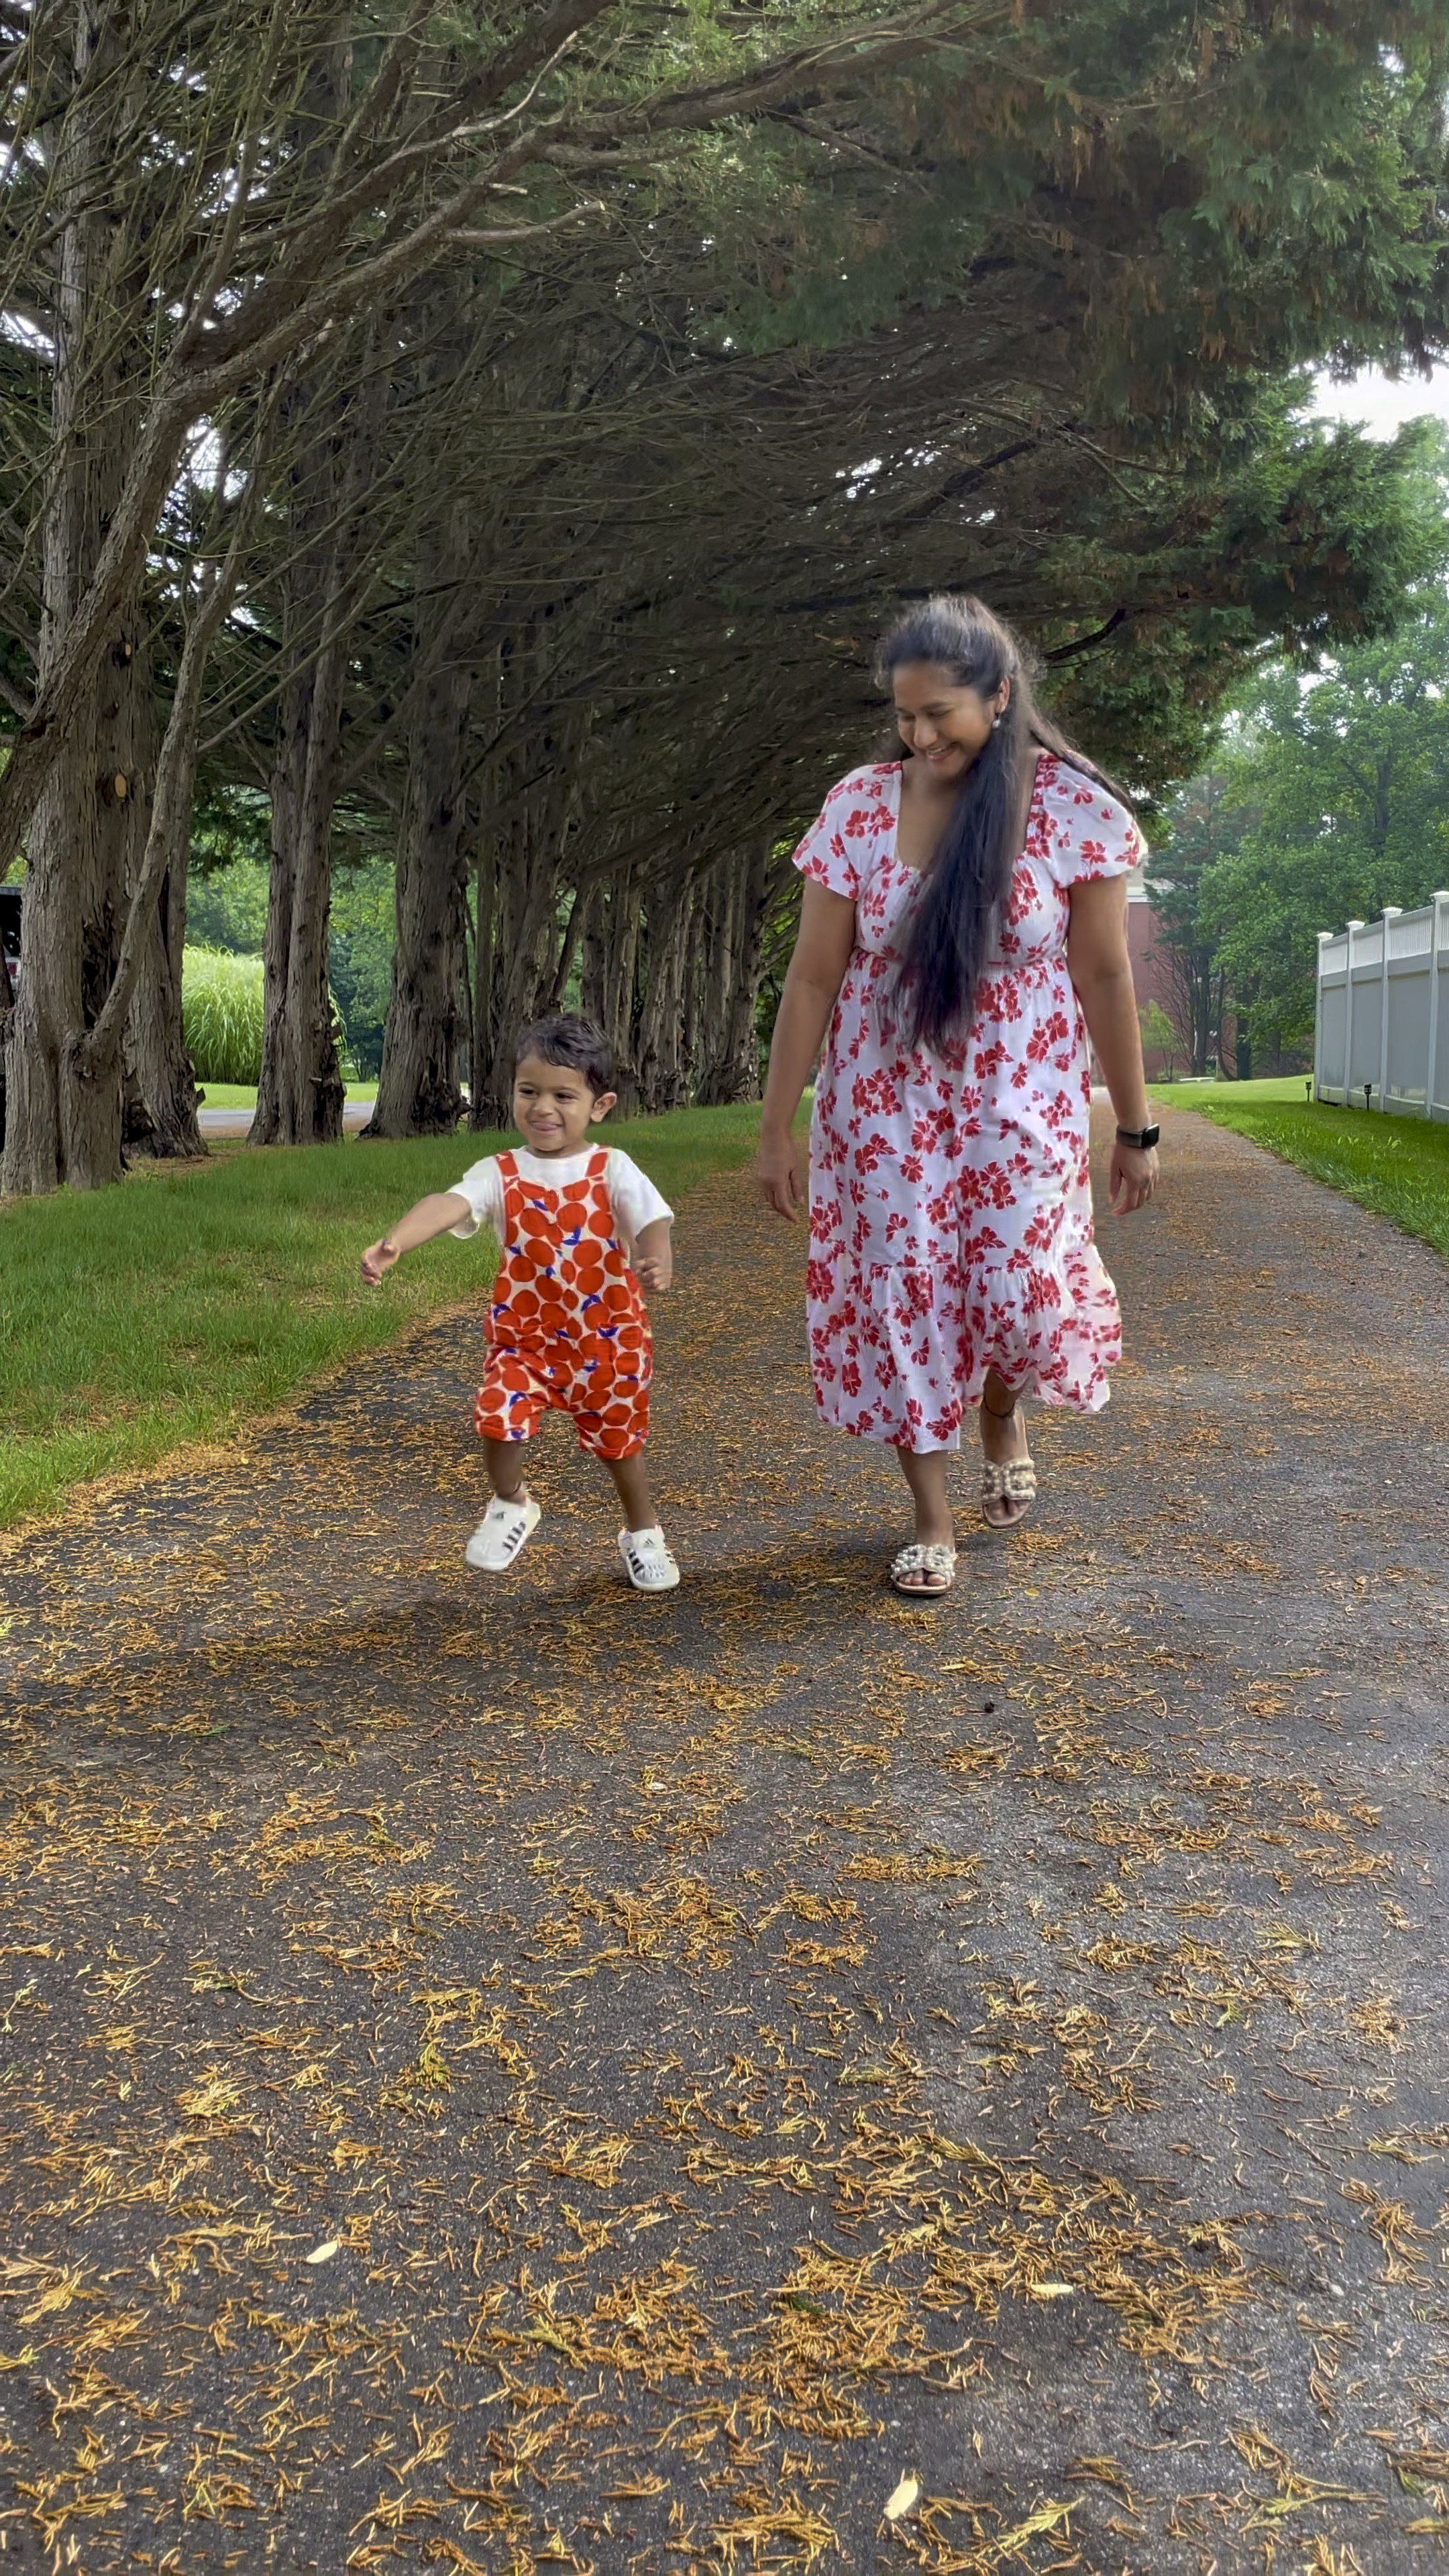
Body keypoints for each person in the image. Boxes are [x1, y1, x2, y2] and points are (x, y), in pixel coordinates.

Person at [758, 592, 1159, 1598]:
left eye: (941, 713)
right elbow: (812, 978)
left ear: (1001, 696)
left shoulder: (1071, 808)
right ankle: (931, 1519)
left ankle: (1000, 1408)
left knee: (1020, 1301)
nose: (921, 734)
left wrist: (1137, 1127)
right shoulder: (858, 806)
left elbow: (1108, 976)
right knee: (904, 1298)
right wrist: (778, 1130)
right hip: (883, 1107)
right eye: (904, 715)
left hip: (1023, 1104)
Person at [361, 1012, 680, 1593]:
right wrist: (396, 1242)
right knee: (498, 1418)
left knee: (620, 1447)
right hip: (525, 1340)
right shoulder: (500, 1171)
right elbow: (448, 1203)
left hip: (608, 1341)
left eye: (563, 1095)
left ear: (599, 1105)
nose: (542, 1107)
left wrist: (657, 1258)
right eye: (528, 1091)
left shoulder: (612, 1168)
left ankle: (644, 1531)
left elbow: (652, 1216)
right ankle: (511, 1502)